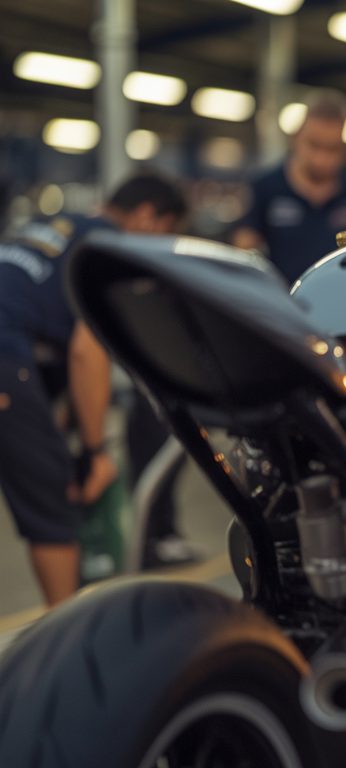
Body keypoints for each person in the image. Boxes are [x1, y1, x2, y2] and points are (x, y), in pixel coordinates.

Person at [0, 173, 186, 604]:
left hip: (15, 354)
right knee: (52, 506)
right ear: (147, 216)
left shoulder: (55, 226)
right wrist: (96, 451)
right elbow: (88, 352)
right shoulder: (109, 248)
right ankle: (69, 633)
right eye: (166, 233)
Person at [232, 88, 346, 283]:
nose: (321, 159)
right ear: (296, 138)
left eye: (333, 149)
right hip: (278, 297)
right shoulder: (265, 188)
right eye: (314, 145)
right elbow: (243, 253)